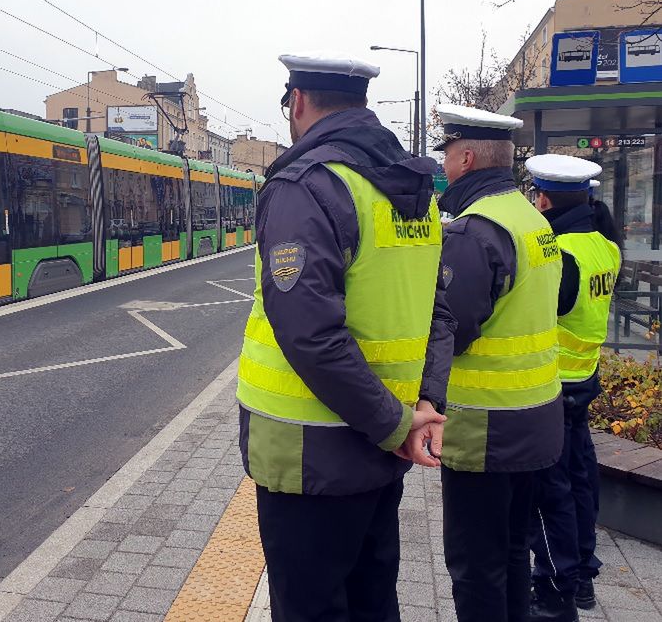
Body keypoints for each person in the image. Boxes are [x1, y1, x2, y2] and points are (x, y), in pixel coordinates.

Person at [237, 52, 449, 621]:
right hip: (380, 452)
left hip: (309, 456)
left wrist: (398, 424)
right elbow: (437, 309)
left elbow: (310, 333)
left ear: (298, 102)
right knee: (372, 601)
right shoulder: (412, 190)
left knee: (309, 608)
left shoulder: (307, 186)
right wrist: (423, 405)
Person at [419, 105, 564, 622]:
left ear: (468, 156)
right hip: (536, 417)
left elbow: (450, 330)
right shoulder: (531, 219)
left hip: (485, 430)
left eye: (449, 157)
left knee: (475, 566)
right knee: (511, 553)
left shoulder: (474, 230)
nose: (447, 169)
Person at [525, 155, 621, 622]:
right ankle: (583, 570)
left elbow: (542, 312)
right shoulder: (606, 245)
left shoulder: (560, 252)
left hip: (554, 384)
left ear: (542, 199)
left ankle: (554, 584)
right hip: (585, 378)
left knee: (552, 491)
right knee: (582, 479)